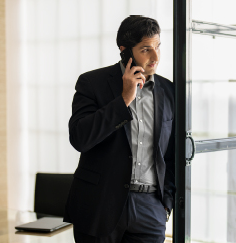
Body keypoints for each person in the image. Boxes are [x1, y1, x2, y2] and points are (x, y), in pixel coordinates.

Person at [63, 15, 175, 243]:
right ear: (125, 51)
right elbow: (80, 138)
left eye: (157, 47)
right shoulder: (91, 83)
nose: (155, 57)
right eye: (146, 49)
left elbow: (173, 152)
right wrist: (124, 99)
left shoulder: (170, 91)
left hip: (151, 210)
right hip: (99, 205)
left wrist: (166, 203)